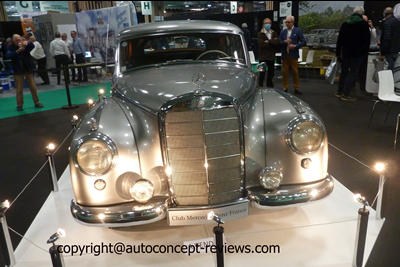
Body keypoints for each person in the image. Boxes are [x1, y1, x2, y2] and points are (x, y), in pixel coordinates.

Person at [335, 6, 370, 101]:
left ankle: (339, 91)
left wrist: (338, 53)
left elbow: (340, 40)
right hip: (358, 54)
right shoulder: (363, 24)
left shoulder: (345, 24)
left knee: (344, 72)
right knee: (353, 73)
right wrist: (364, 53)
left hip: (346, 52)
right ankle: (346, 94)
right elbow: (367, 41)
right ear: (362, 14)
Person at [6, 34, 43, 111]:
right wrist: (17, 51)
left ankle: (37, 102)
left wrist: (28, 42)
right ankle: (19, 104)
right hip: (18, 70)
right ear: (13, 41)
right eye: (17, 40)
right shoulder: (10, 47)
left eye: (19, 39)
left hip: (28, 68)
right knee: (19, 88)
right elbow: (8, 55)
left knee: (33, 87)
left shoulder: (25, 44)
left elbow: (32, 46)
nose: (19, 41)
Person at [279, 15, 306, 95]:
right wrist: (284, 42)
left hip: (293, 55)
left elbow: (303, 42)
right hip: (285, 55)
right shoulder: (283, 31)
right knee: (284, 72)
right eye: (286, 22)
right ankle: (285, 87)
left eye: (289, 22)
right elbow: (279, 42)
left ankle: (296, 87)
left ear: (293, 22)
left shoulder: (298, 31)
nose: (287, 24)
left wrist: (295, 46)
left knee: (295, 72)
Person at [356, 15, 377, 92]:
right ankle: (353, 86)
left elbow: (374, 36)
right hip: (358, 50)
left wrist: (371, 27)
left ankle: (362, 86)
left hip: (365, 51)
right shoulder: (357, 27)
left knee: (363, 69)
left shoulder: (368, 28)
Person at [257, 17, 279, 88]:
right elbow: (261, 44)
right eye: (266, 23)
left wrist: (268, 41)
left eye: (269, 23)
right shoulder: (260, 33)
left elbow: (276, 42)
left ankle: (269, 87)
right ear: (263, 24)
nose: (267, 24)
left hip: (271, 57)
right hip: (262, 57)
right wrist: (271, 42)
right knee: (261, 73)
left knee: (271, 73)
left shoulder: (274, 33)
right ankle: (260, 86)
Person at [379, 7, 400, 72]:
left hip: (389, 50)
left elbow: (387, 38)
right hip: (396, 49)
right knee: (392, 69)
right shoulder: (397, 22)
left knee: (387, 71)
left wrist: (382, 53)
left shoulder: (387, 23)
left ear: (384, 14)